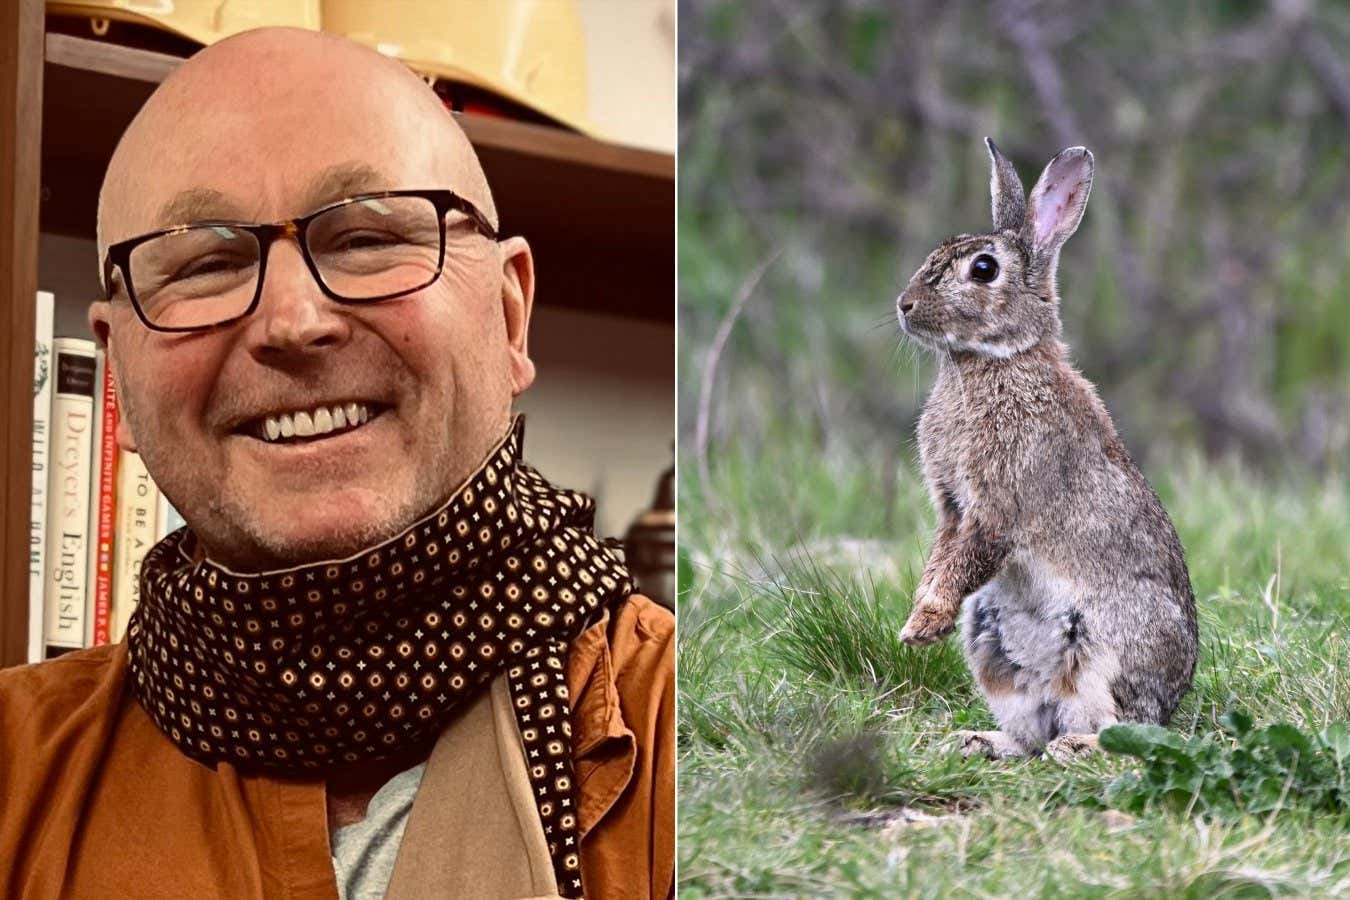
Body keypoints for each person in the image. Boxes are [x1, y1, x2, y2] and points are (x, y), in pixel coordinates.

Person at [0, 27, 673, 900]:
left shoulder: (707, 736)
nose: (292, 321)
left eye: (365, 239)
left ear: (510, 316)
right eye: (205, 262)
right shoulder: (16, 771)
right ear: (117, 372)